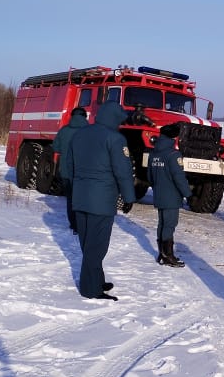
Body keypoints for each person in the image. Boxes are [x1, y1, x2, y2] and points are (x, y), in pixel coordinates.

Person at [61, 100, 136, 302]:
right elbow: (123, 172)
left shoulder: (80, 134)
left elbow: (70, 164)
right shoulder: (115, 139)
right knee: (97, 247)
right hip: (101, 201)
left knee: (88, 244)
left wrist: (77, 186)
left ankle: (96, 280)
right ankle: (90, 289)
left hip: (80, 197)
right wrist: (128, 197)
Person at [147, 123, 192, 267]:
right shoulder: (173, 155)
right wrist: (188, 194)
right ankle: (168, 256)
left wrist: (157, 188)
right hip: (171, 196)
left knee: (162, 224)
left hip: (159, 194)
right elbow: (179, 177)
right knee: (169, 225)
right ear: (174, 136)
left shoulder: (153, 153)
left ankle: (162, 254)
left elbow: (150, 176)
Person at [51, 106, 88, 231]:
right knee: (83, 199)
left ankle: (73, 225)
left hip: (66, 172)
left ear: (72, 116)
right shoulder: (90, 131)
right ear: (85, 117)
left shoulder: (64, 130)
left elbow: (55, 147)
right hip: (84, 173)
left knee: (70, 199)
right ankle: (82, 225)